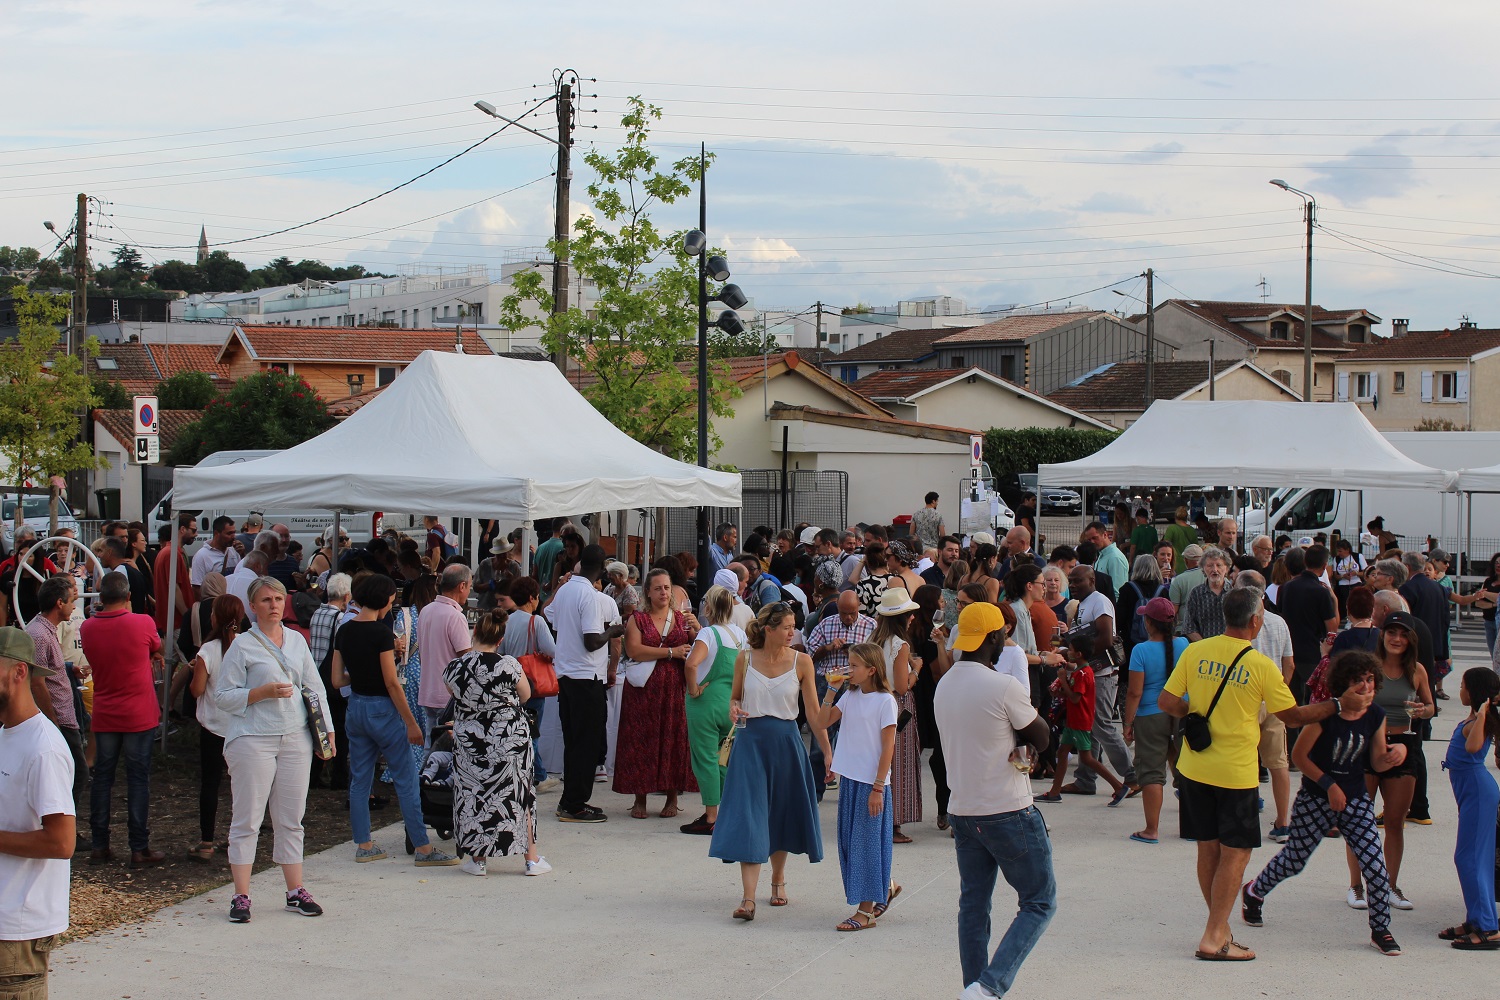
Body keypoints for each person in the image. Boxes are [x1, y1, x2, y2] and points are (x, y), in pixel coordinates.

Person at [1156, 587, 1351, 962]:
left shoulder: (1195, 650)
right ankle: (1214, 935)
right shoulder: (1261, 665)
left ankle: (1220, 927)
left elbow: (1167, 702)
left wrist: (1195, 714)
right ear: (1256, 621)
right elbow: (1293, 716)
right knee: (1238, 852)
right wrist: (1338, 704)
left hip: (1194, 767)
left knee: (1207, 847)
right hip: (1235, 772)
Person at [1240, 650, 1404, 958]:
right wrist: (1328, 785)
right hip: (1316, 799)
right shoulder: (1324, 714)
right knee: (1295, 859)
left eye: (1370, 680)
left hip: (1355, 800)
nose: (1365, 688)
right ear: (1343, 684)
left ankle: (1380, 928)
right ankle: (1254, 891)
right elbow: (1300, 757)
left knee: (1375, 867)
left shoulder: (1376, 716)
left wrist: (1396, 755)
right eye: (1358, 681)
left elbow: (1378, 761)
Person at [934, 601, 1054, 1000]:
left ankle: (973, 986)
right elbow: (1042, 736)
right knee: (1039, 901)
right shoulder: (1003, 685)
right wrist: (1026, 739)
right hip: (1006, 809)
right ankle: (988, 986)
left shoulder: (945, 683)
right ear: (993, 638)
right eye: (1002, 634)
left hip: (963, 812)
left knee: (974, 906)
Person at [213, 576, 332, 923]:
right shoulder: (242, 645)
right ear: (253, 606)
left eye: (278, 599)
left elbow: (315, 687)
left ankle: (295, 890)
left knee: (291, 818)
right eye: (266, 600)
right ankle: (241, 894)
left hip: (296, 736)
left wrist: (328, 731)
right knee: (248, 818)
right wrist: (259, 693)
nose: (274, 605)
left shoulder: (296, 640)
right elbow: (223, 696)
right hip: (254, 737)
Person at [710, 602, 830, 921]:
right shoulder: (744, 658)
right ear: (769, 629)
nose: (793, 632)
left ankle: (777, 880)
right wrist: (733, 708)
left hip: (787, 743)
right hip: (750, 743)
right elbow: (734, 698)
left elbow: (815, 717)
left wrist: (828, 752)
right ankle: (748, 899)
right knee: (749, 816)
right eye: (787, 627)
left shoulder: (802, 662)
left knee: (780, 814)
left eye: (794, 626)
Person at [332, 573, 458, 868]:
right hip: (383, 710)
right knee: (406, 780)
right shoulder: (381, 633)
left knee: (361, 779)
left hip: (356, 708)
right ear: (384, 598)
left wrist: (362, 674)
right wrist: (411, 723)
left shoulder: (345, 630)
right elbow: (391, 682)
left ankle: (364, 843)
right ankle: (423, 849)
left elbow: (337, 680)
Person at [0, 626, 76, 1000]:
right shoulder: (5, 734)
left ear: (18, 673)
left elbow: (62, 842)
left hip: (17, 931)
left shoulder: (44, 747)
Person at [445, 608, 549, 877]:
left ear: (474, 632)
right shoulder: (510, 665)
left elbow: (454, 695)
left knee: (474, 795)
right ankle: (531, 860)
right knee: (519, 795)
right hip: (509, 739)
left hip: (471, 742)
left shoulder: (454, 668)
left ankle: (478, 860)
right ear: (500, 639)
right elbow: (525, 696)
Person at [1345, 611, 1433, 913]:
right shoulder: (1369, 667)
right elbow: (1349, 702)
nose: (1396, 639)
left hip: (1405, 746)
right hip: (1368, 746)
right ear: (1383, 636)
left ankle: (1388, 886)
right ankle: (1356, 886)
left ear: (1411, 639)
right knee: (1359, 820)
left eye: (1403, 634)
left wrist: (1423, 711)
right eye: (1391, 632)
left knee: (1395, 823)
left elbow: (1431, 705)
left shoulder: (1417, 670)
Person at [79, 572, 165, 868]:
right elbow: (156, 647)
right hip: (138, 711)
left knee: (103, 777)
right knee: (137, 777)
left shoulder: (87, 628)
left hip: (105, 710)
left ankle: (100, 845)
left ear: (100, 598)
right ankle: (138, 847)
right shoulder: (142, 622)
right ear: (128, 596)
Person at [815, 641, 898, 932]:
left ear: (871, 670)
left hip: (870, 784)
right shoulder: (850, 696)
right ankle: (884, 886)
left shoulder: (886, 701)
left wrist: (878, 788)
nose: (849, 670)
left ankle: (865, 913)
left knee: (864, 844)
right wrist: (831, 689)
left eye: (854, 666)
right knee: (853, 844)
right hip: (850, 779)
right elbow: (822, 721)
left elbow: (888, 747)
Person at [546, 544, 625, 823]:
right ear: (602, 570)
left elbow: (550, 616)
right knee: (587, 744)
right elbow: (592, 641)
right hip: (586, 677)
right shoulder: (591, 596)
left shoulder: (566, 590)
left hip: (567, 676)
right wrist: (613, 629)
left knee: (574, 741)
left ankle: (569, 800)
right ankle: (574, 804)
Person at [615, 568, 699, 820]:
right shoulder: (638, 619)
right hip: (644, 689)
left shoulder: (681, 617)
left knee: (673, 739)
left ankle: (672, 798)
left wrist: (696, 630)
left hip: (674, 686)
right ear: (648, 593)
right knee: (641, 738)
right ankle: (639, 798)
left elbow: (695, 650)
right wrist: (671, 652)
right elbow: (634, 650)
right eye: (658, 588)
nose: (663, 592)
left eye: (667, 587)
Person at [1060, 565, 1136, 796]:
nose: (1072, 585)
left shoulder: (1099, 601)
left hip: (1102, 675)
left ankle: (1132, 776)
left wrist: (1077, 655)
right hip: (1090, 673)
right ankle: (1085, 780)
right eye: (1070, 581)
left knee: (1101, 725)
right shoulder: (1083, 604)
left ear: (1091, 580)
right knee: (1088, 727)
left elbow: (1105, 637)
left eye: (1077, 581)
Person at [1232, 570, 1296, 845]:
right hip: (1272, 699)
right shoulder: (1280, 622)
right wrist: (1279, 689)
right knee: (1278, 761)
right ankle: (1283, 820)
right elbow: (1289, 663)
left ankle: (1243, 811)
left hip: (1243, 697)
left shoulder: (1237, 621)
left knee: (1241, 758)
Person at [1439, 667, 1500, 949]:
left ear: (1473, 691)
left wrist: (1485, 711)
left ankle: (1488, 927)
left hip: (1477, 792)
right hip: (1471, 793)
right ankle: (1476, 919)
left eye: (1462, 685)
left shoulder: (1479, 720)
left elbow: (1474, 748)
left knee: (1470, 859)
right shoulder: (1474, 718)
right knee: (1473, 858)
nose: (1459, 690)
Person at [679, 585, 745, 835]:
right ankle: (726, 813)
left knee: (705, 759)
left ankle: (710, 816)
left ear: (708, 607)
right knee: (725, 759)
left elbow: (691, 665)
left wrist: (693, 689)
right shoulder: (740, 634)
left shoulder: (707, 633)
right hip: (731, 705)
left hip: (705, 704)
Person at [1037, 630, 1128, 805]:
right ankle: (1055, 792)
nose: (1067, 652)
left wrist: (1063, 680)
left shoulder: (1084, 673)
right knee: (1063, 753)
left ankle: (1118, 786)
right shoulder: (1081, 671)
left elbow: (1076, 698)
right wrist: (1059, 692)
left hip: (1080, 722)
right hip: (1074, 721)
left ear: (1078, 654)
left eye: (1070, 650)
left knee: (1087, 758)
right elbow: (1072, 696)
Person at [1123, 597, 1187, 844]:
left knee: (1151, 773)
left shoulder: (1141, 650)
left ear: (1149, 622)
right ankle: (1191, 827)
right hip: (1181, 712)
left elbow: (1134, 692)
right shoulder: (1185, 645)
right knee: (1188, 770)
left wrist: (1128, 724)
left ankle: (1152, 829)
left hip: (1150, 715)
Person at [804, 591, 877, 796]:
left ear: (859, 607)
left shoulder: (871, 625)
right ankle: (815, 793)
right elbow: (809, 655)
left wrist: (857, 654)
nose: (848, 618)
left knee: (855, 739)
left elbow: (877, 657)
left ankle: (850, 790)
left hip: (858, 686)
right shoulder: (826, 624)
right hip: (828, 684)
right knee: (820, 739)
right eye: (844, 613)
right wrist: (828, 648)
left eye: (852, 613)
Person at [25, 577, 85, 807]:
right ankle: (62, 830)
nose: (74, 606)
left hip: (63, 715)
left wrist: (69, 669)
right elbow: (36, 682)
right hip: (58, 718)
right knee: (76, 774)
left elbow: (47, 670)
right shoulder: (39, 635)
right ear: (59, 603)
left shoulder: (45, 630)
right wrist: (52, 721)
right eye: (72, 601)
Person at [497, 576, 557, 794]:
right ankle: (537, 775)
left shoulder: (506, 621)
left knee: (514, 728)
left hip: (509, 681)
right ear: (532, 598)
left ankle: (525, 773)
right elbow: (552, 650)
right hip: (532, 683)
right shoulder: (536, 622)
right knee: (532, 730)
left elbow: (499, 652)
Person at [873, 588, 922, 843]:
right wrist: (917, 670)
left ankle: (879, 819)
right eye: (909, 614)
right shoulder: (900, 644)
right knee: (898, 763)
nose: (912, 618)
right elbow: (903, 686)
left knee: (880, 759)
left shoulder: (875, 640)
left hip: (875, 701)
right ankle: (893, 824)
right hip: (897, 703)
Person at [1278, 545, 1340, 704]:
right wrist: (1335, 601)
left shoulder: (1285, 587)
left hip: (1288, 651)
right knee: (1313, 701)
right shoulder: (1321, 591)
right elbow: (1332, 628)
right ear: (1324, 566)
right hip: (1312, 652)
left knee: (1290, 700)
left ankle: (1291, 729)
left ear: (1305, 562)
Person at [415, 564, 472, 734]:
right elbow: (467, 659)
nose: (469, 591)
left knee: (430, 745)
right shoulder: (455, 616)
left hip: (428, 691)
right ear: (461, 586)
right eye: (469, 587)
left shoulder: (426, 610)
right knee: (447, 749)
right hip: (448, 696)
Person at [1178, 547, 1231, 642]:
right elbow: (1189, 627)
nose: (1215, 570)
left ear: (1226, 568)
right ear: (1203, 568)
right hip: (1203, 650)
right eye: (1210, 566)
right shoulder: (1196, 594)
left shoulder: (1234, 593)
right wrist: (1205, 646)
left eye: (1219, 565)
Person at [191, 516, 239, 600]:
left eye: (234, 533)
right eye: (229, 533)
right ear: (217, 533)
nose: (233, 536)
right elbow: (197, 588)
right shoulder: (201, 556)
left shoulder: (234, 551)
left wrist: (242, 555)